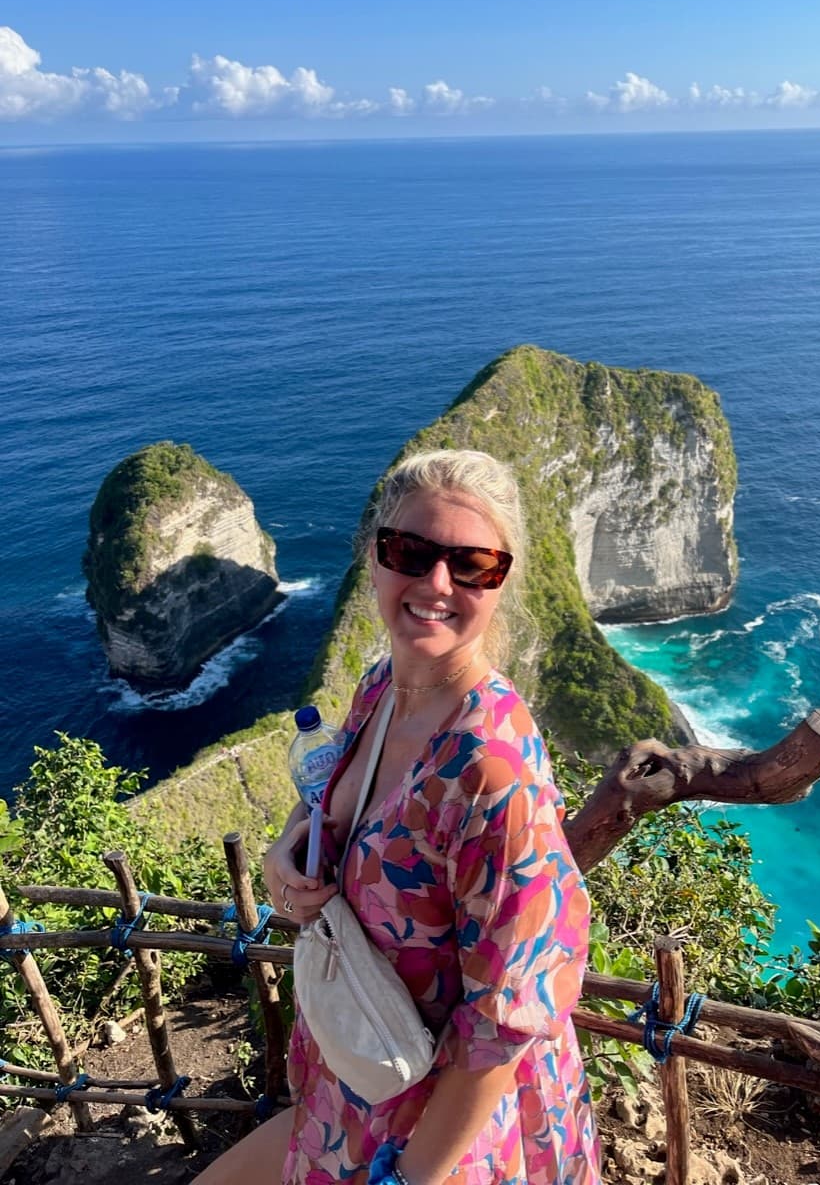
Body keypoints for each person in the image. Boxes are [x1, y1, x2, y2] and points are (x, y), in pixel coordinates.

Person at [196, 449, 600, 1185]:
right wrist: (285, 854)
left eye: (472, 565)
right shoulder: (381, 687)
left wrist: (407, 1176)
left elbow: (505, 1020)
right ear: (374, 558)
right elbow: (327, 797)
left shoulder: (489, 770)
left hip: (445, 1129)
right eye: (410, 552)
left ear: (502, 582)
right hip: (361, 1081)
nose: (437, 583)